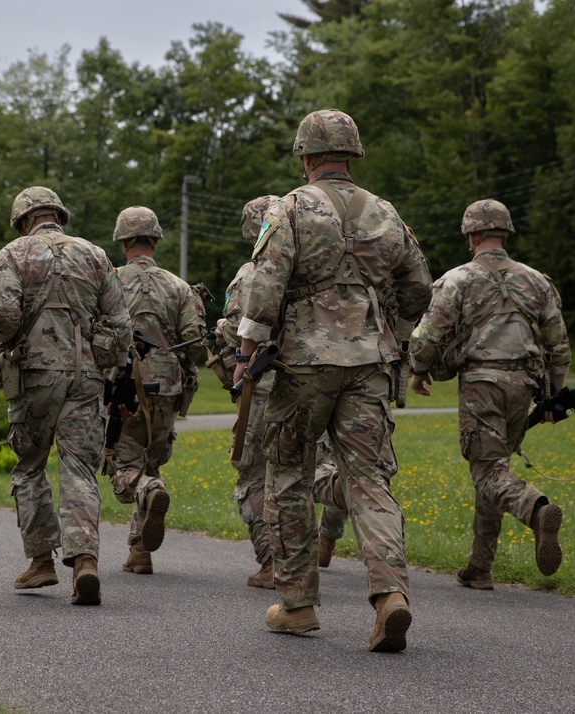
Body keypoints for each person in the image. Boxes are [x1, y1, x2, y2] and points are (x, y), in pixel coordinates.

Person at [233, 109, 432, 652]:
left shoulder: (291, 207)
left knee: (291, 477)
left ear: (306, 156)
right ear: (351, 154)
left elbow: (267, 283)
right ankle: (390, 594)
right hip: (370, 363)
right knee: (370, 479)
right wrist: (385, 324)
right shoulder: (387, 213)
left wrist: (247, 351)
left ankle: (297, 606)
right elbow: (419, 287)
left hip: (303, 364)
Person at [409, 199, 572, 591]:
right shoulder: (537, 281)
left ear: (471, 234)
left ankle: (535, 508)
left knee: (487, 471)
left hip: (482, 384)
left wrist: (417, 370)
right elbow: (559, 344)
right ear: (505, 232)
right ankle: (479, 566)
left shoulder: (456, 280)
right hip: (526, 385)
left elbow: (427, 334)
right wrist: (556, 393)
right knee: (494, 468)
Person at [0, 186, 132, 606]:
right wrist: (107, 363)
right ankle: (84, 561)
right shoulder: (94, 254)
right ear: (58, 216)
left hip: (33, 376)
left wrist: (11, 341)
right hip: (86, 376)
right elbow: (120, 323)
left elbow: (3, 314)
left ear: (22, 220)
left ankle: (40, 562)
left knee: (30, 466)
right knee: (80, 469)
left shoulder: (13, 254)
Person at [220, 195, 349, 589]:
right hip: (315, 379)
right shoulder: (319, 268)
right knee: (309, 465)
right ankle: (334, 486)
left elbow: (234, 327)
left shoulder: (250, 274)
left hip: (263, 388)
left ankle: (272, 564)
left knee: (255, 475)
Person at [109, 206, 205, 575]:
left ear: (123, 241)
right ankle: (140, 552)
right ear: (155, 239)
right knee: (149, 461)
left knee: (124, 468)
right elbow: (195, 342)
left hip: (123, 387)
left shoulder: (111, 280)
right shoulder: (178, 286)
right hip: (169, 387)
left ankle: (149, 492)